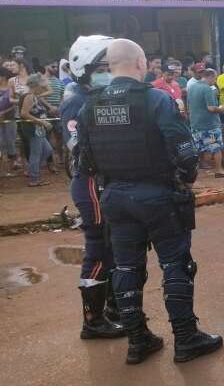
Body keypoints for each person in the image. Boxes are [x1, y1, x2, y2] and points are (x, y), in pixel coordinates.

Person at [77, 38, 222, 365]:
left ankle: (138, 341)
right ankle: (185, 338)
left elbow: (83, 161)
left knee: (126, 267)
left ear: (109, 66)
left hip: (115, 197)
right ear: (141, 64)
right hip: (157, 195)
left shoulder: (91, 103)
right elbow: (183, 149)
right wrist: (187, 178)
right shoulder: (155, 99)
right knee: (175, 264)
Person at [59, 35, 126, 342]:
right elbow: (78, 148)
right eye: (102, 66)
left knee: (112, 247)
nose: (109, 71)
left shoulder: (102, 95)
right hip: (90, 182)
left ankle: (112, 308)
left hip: (107, 181)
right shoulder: (76, 99)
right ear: (83, 68)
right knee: (98, 247)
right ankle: (93, 321)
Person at [188, 68, 224, 177]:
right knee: (216, 147)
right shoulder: (207, 89)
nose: (215, 81)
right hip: (209, 123)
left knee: (198, 147)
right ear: (210, 77)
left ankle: (194, 171)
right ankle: (219, 170)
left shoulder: (192, 87)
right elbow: (211, 108)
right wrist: (222, 109)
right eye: (215, 78)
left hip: (195, 122)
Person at [20, 74, 55, 187]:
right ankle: (34, 178)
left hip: (37, 128)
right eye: (42, 85)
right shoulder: (29, 96)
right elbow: (24, 114)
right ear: (36, 85)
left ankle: (32, 171)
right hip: (34, 128)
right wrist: (42, 122)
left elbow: (48, 89)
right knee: (36, 153)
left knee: (47, 150)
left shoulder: (33, 95)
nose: (43, 87)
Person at [43, 59, 65, 164]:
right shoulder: (40, 80)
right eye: (53, 66)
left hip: (57, 113)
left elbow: (62, 96)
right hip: (44, 112)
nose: (55, 69)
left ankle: (60, 158)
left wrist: (59, 107)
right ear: (46, 66)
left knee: (59, 136)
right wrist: (49, 107)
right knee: (46, 137)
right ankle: (49, 161)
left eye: (56, 67)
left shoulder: (59, 81)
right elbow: (37, 96)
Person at [0, 67, 18, 177]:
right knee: (1, 144)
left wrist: (4, 112)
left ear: (3, 77)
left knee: (10, 142)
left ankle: (12, 167)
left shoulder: (11, 88)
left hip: (10, 118)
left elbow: (16, 104)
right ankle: (3, 170)